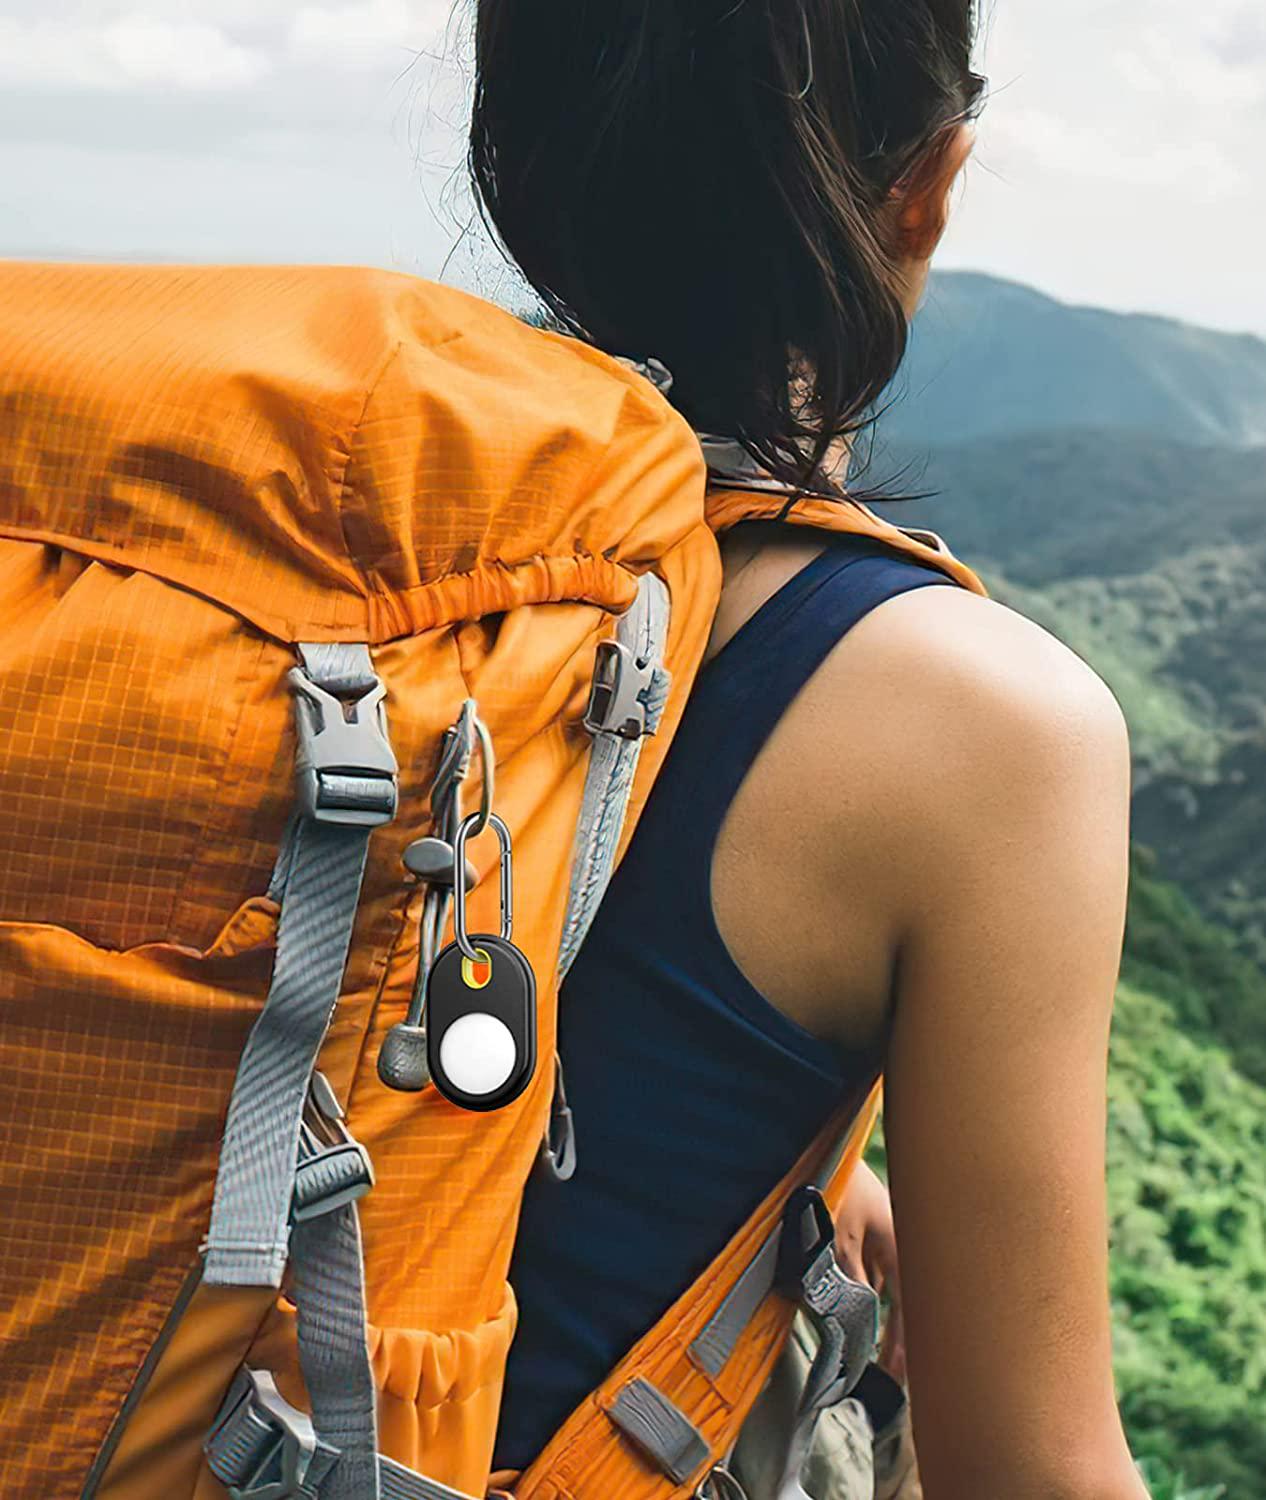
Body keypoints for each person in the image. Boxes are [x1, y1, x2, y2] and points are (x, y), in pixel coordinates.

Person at [470, 3, 1149, 1496]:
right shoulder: (979, 726)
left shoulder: (321, 573)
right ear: (934, 182)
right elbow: (1030, 1472)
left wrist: (788, 1162)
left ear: (510, 170)